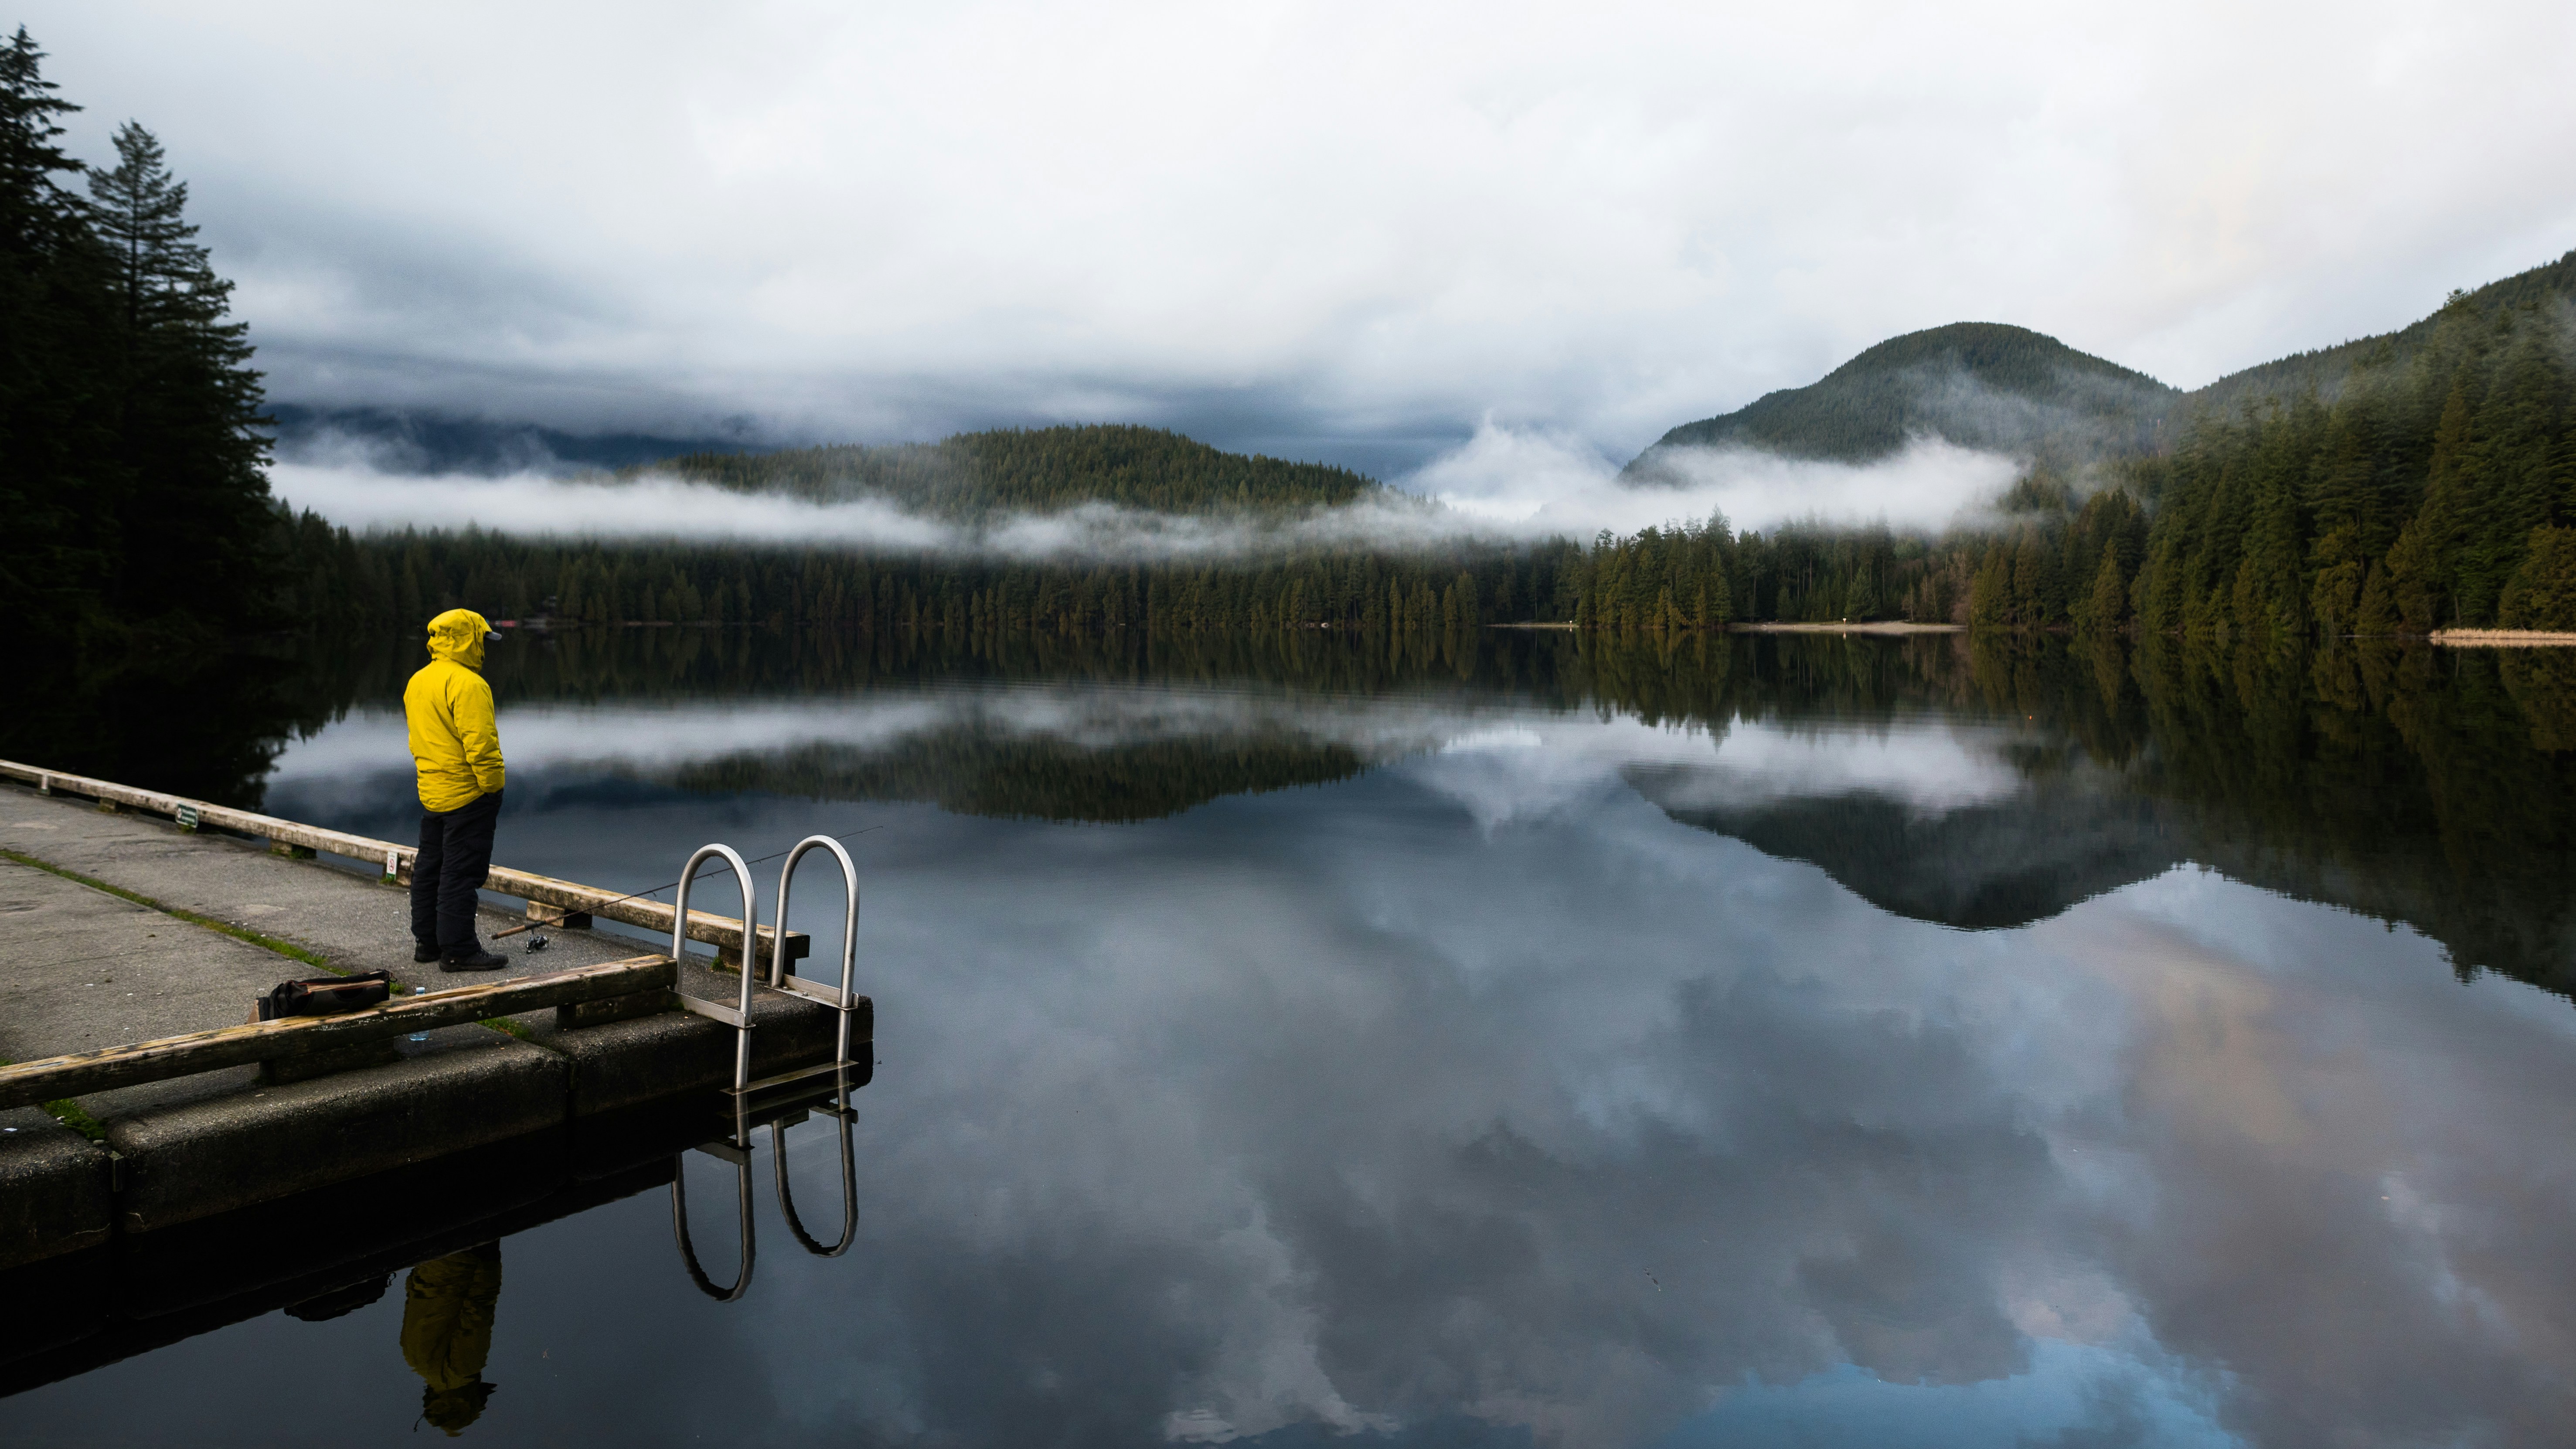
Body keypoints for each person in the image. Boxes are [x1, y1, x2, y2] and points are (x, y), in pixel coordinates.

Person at [406, 609, 509, 971]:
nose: (485, 647)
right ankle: (459, 951)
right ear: (468, 639)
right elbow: (481, 746)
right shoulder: (469, 684)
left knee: (430, 869)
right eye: (483, 639)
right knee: (461, 874)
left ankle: (427, 943)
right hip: (468, 795)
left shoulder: (418, 680)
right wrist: (494, 788)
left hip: (432, 792)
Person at [401, 1242, 503, 1435]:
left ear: (470, 1400)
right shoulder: (413, 1359)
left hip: (463, 1260)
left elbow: (479, 1311)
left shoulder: (464, 1371)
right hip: (428, 1259)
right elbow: (412, 1293)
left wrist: (490, 1264)